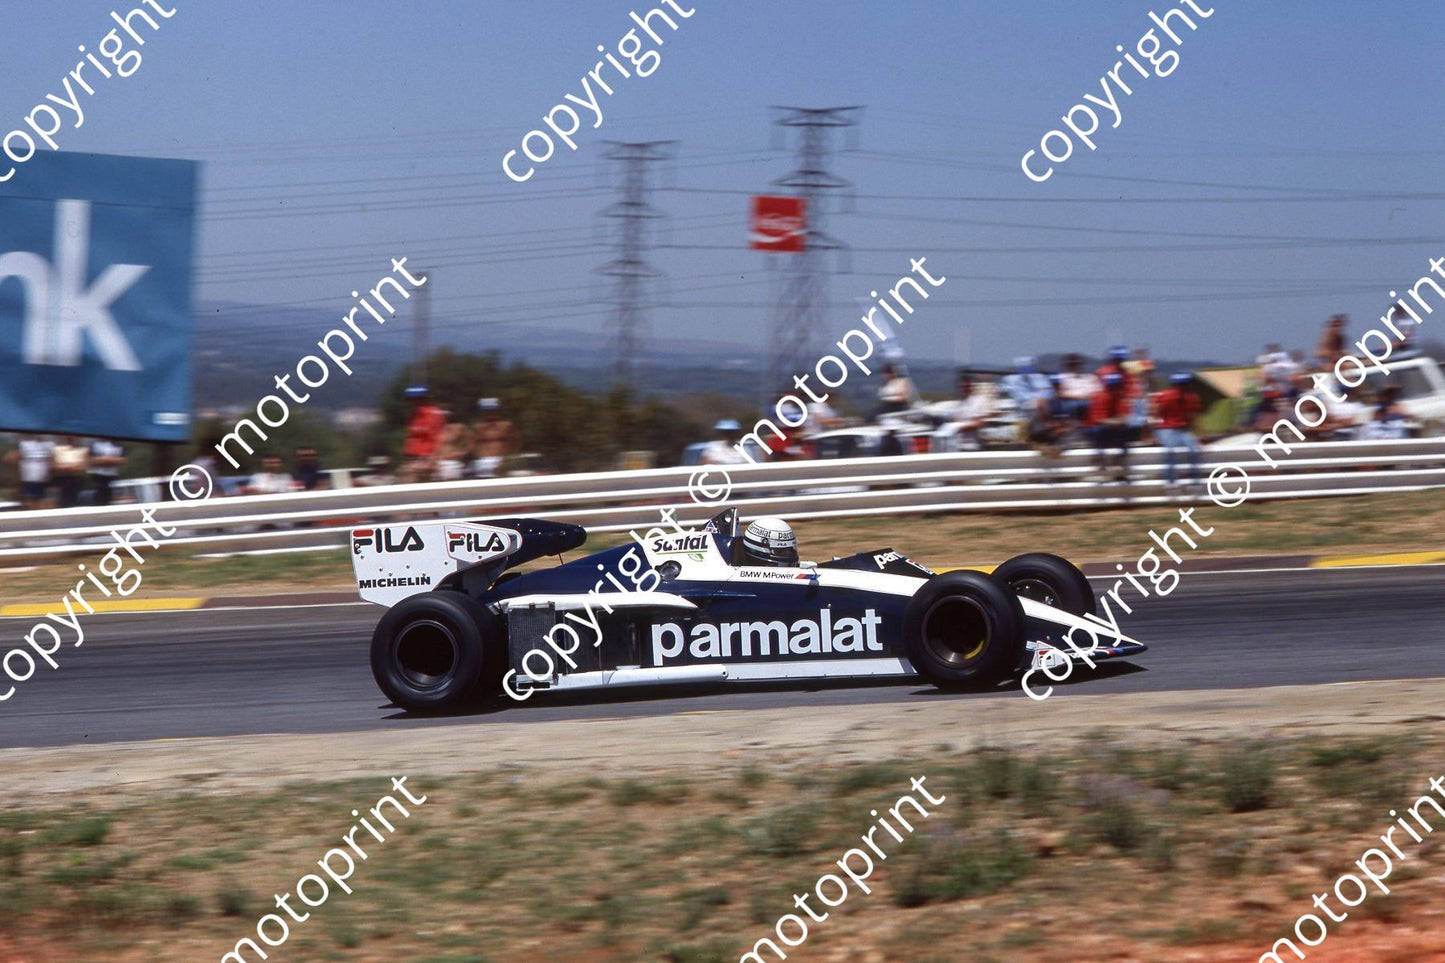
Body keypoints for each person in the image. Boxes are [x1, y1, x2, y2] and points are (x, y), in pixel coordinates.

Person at [1153, 372, 1202, 490]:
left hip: (1182, 430)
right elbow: (1155, 413)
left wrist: (1199, 436)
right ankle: (1170, 481)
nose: (1182, 387)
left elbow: (1194, 417)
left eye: (1184, 384)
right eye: (1180, 384)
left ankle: (1195, 482)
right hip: (1166, 428)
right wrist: (1154, 432)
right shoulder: (1165, 396)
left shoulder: (1191, 398)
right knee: (1170, 450)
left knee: (1195, 449)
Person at [1089, 372, 1133, 482]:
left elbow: (1125, 418)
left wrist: (1116, 422)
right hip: (1101, 428)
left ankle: (1119, 461)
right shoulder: (1101, 397)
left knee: (1125, 431)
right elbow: (1098, 419)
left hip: (1115, 427)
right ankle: (1100, 460)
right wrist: (1114, 422)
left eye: (1117, 385)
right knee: (1098, 431)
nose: (1114, 388)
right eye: (1112, 385)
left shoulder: (1122, 398)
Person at [400, 385, 447, 484]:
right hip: (411, 459)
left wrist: (432, 460)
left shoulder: (434, 414)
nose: (413, 402)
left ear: (424, 399)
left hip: (426, 459)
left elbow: (439, 439)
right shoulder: (412, 415)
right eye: (411, 399)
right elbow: (410, 437)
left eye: (416, 399)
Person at [471, 398, 518, 478]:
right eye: (487, 411)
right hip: (483, 462)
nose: (490, 414)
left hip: (502, 460)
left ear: (497, 411)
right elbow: (472, 445)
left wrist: (506, 459)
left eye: (492, 410)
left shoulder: (506, 426)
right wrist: (479, 458)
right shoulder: (477, 427)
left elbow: (515, 443)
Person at [13, 435, 55, 509]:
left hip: (43, 480)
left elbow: (51, 461)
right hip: (28, 479)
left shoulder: (49, 445)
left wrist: (50, 474)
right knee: (28, 502)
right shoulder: (25, 444)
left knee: (42, 503)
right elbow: (15, 458)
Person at [1057, 353, 1100, 422]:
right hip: (1070, 402)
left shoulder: (1090, 377)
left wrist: (1090, 397)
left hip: (1090, 401)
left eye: (1077, 364)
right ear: (1067, 366)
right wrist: (1079, 397)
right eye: (1072, 364)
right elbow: (1059, 393)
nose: (1075, 366)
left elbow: (1099, 391)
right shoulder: (1062, 378)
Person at [51, 435, 89, 508]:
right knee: (63, 504)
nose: (71, 437)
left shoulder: (83, 449)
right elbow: (54, 466)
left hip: (77, 481)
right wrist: (72, 466)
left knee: (77, 504)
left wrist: (65, 466)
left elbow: (83, 466)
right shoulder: (57, 449)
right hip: (62, 481)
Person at [88, 438, 125, 506]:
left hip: (112, 475)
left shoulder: (118, 444)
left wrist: (106, 460)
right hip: (98, 475)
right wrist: (108, 460)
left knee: (110, 498)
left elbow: (122, 460)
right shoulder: (95, 443)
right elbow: (91, 460)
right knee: (99, 497)